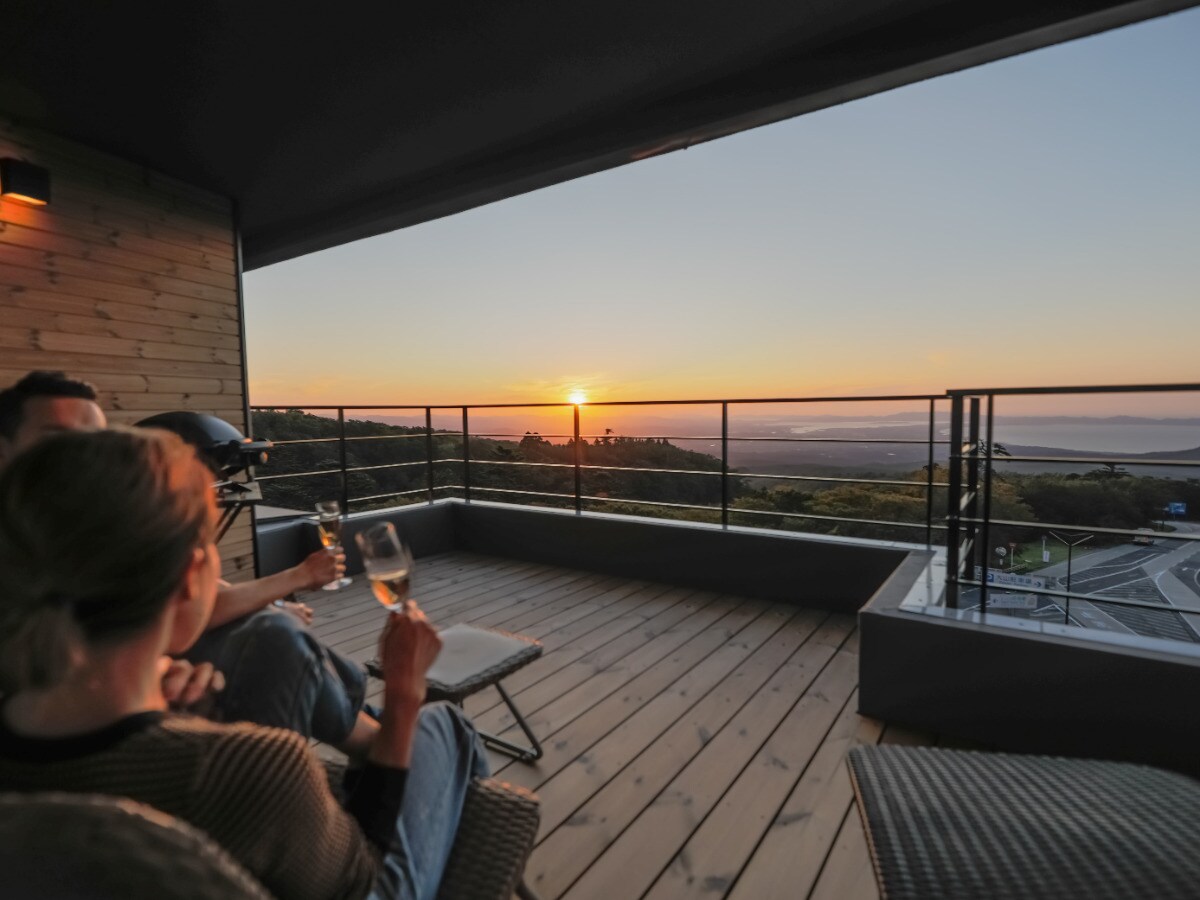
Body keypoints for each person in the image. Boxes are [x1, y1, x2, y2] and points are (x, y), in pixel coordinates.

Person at [0, 427, 488, 900]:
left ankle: (367, 735)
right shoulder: (248, 765)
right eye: (211, 546)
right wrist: (404, 695)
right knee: (447, 725)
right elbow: (366, 876)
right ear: (192, 579)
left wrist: (169, 722)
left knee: (277, 635)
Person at [0, 371, 378, 755]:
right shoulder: (28, 538)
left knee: (272, 627)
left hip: (133, 676)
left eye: (96, 441)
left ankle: (373, 730)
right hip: (77, 710)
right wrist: (296, 580)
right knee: (274, 638)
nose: (84, 458)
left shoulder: (87, 519)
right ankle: (375, 743)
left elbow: (206, 594)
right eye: (60, 441)